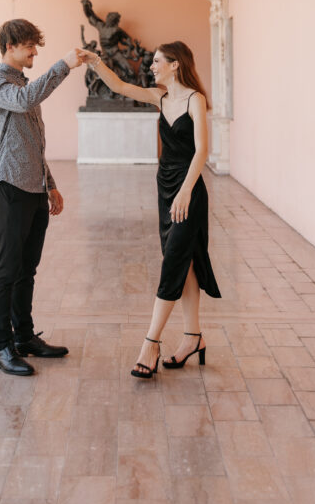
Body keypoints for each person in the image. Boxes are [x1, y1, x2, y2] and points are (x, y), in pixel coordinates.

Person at [81, 40, 221, 377]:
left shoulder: (195, 100)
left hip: (188, 190)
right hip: (165, 186)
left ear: (176, 64)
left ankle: (151, 342)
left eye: (158, 61)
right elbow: (119, 85)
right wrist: (94, 61)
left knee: (173, 261)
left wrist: (187, 191)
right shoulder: (159, 97)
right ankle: (192, 337)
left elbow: (202, 150)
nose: (152, 66)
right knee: (183, 261)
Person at [0, 18, 84, 376]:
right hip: (9, 188)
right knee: (6, 271)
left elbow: (31, 145)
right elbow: (26, 100)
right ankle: (1, 347)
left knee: (27, 271)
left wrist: (50, 183)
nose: (35, 52)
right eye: (29, 46)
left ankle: (24, 338)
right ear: (10, 46)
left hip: (34, 188)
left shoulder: (24, 84)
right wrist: (64, 66)